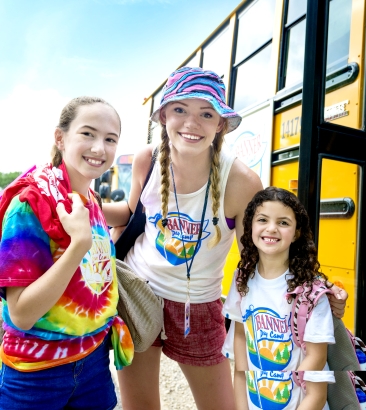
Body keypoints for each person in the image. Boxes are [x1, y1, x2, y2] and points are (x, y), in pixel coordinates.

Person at [103, 66, 347, 410]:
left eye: (206, 113)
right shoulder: (148, 159)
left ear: (220, 123)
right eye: (180, 110)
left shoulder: (241, 181)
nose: (192, 123)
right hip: (137, 294)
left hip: (198, 306)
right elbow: (130, 213)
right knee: (139, 405)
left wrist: (315, 291)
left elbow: (267, 251)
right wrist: (85, 207)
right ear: (163, 116)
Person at [0, 96, 134, 410]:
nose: (99, 148)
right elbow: (21, 314)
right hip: (36, 375)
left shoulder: (93, 202)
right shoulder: (29, 205)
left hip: (94, 364)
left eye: (110, 139)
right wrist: (77, 247)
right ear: (60, 138)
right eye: (88, 133)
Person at [223, 187, 335, 410]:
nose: (271, 229)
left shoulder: (309, 293)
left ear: (296, 233)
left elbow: (316, 387)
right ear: (251, 226)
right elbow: (241, 347)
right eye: (262, 219)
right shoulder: (241, 279)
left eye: (283, 223)